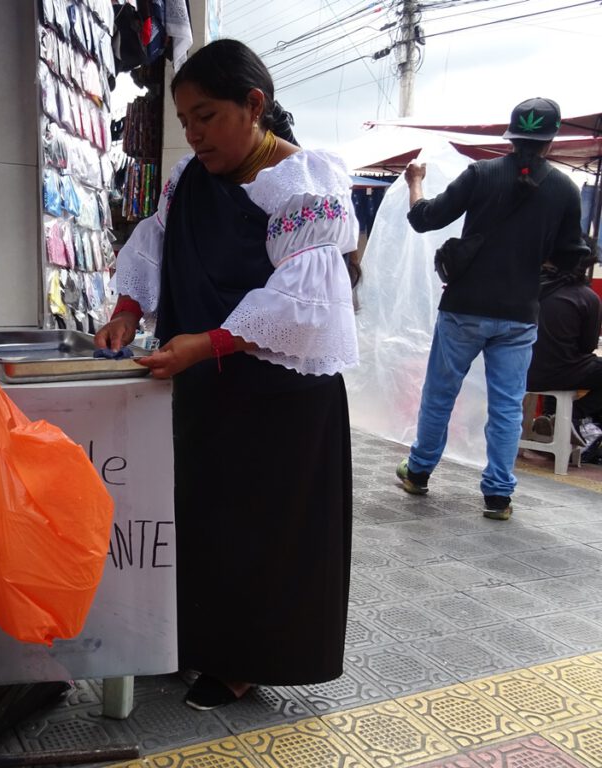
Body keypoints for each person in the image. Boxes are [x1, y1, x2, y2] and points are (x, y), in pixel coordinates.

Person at [94, 39, 358, 711]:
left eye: (206, 116)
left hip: (280, 397)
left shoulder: (308, 186)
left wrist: (205, 342)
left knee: (261, 529)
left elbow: (303, 300)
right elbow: (155, 238)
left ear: (255, 105)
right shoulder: (191, 180)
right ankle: (193, 640)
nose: (193, 133)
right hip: (205, 380)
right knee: (201, 516)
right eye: (185, 120)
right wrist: (128, 308)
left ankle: (244, 660)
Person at [395, 97, 583, 521]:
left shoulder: (481, 174)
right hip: (519, 313)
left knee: (440, 395)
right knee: (507, 406)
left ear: (511, 135)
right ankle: (498, 496)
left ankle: (419, 473)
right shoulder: (565, 190)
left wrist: (415, 181)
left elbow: (424, 218)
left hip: (464, 306)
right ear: (550, 141)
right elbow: (573, 257)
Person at [526, 243, 602, 442]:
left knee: (560, 360)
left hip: (520, 370)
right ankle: (572, 415)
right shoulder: (587, 297)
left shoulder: (530, 287)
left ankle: (551, 417)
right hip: (559, 373)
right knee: (571, 365)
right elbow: (587, 346)